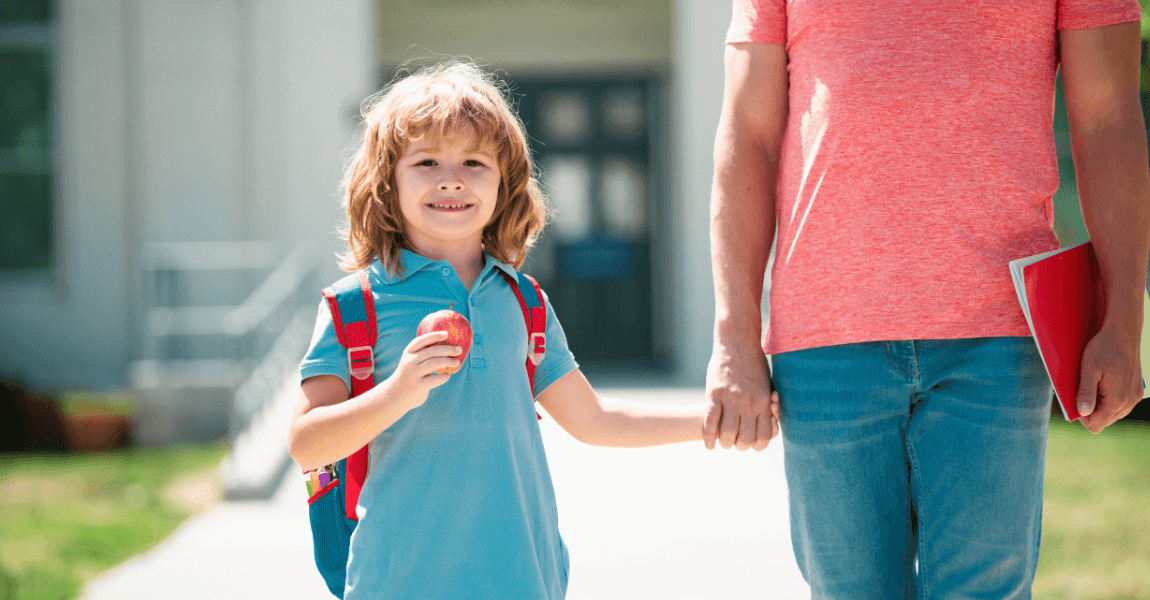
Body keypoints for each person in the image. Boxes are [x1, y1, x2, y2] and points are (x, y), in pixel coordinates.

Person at [706, 0, 1149, 598]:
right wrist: (734, 334)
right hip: (826, 339)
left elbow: (1109, 119)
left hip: (999, 334)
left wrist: (1123, 319)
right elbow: (748, 131)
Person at [287, 61, 728, 600]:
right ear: (387, 183)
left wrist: (710, 421)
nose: (451, 177)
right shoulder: (354, 305)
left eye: (474, 162)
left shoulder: (524, 301)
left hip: (523, 579)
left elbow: (594, 420)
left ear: (505, 184)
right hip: (398, 582)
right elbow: (307, 444)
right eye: (426, 161)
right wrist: (398, 392)